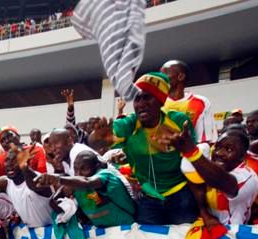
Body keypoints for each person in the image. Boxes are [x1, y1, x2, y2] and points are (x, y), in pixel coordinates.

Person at [89, 72, 198, 225]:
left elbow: (194, 162)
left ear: (160, 101)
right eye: (137, 99)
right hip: (148, 197)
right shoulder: (129, 124)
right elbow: (95, 143)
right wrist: (98, 136)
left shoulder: (178, 121)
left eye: (147, 97)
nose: (141, 104)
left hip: (180, 194)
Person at [162, 124, 258, 225]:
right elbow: (195, 183)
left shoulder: (248, 178)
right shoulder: (207, 166)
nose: (219, 153)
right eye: (217, 148)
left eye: (229, 149)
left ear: (242, 156)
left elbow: (221, 181)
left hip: (233, 233)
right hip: (205, 226)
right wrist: (205, 213)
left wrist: (192, 152)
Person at [34, 151, 136, 227]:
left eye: (84, 169)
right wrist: (58, 195)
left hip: (127, 229)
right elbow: (59, 208)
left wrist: (58, 179)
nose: (78, 174)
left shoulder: (106, 175)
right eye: (76, 169)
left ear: (96, 166)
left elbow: (88, 182)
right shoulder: (77, 184)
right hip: (103, 234)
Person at [161, 59, 217, 143]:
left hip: (188, 153)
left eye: (164, 73)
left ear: (181, 77)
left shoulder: (201, 102)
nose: (159, 78)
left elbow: (204, 141)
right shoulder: (155, 101)